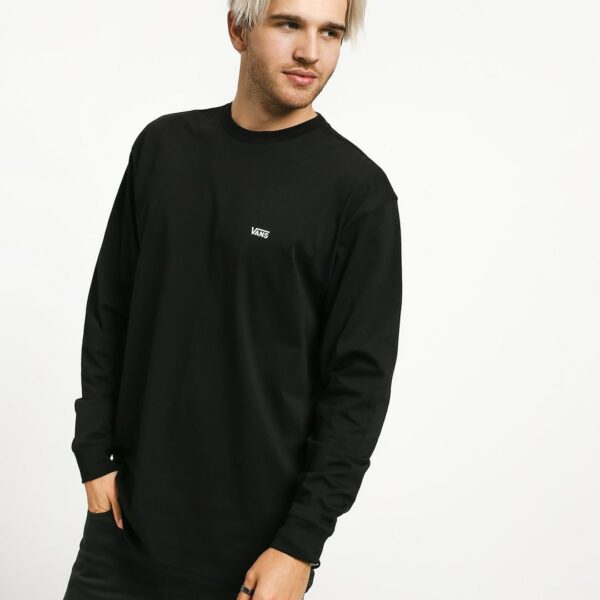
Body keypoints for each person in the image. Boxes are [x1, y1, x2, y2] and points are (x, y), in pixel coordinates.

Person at [63, 0, 402, 598]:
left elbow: (359, 387)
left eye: (330, 32)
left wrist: (300, 544)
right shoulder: (164, 149)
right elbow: (110, 308)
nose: (311, 52)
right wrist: (93, 451)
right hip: (122, 534)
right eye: (289, 24)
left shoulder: (358, 194)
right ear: (238, 28)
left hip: (252, 558)